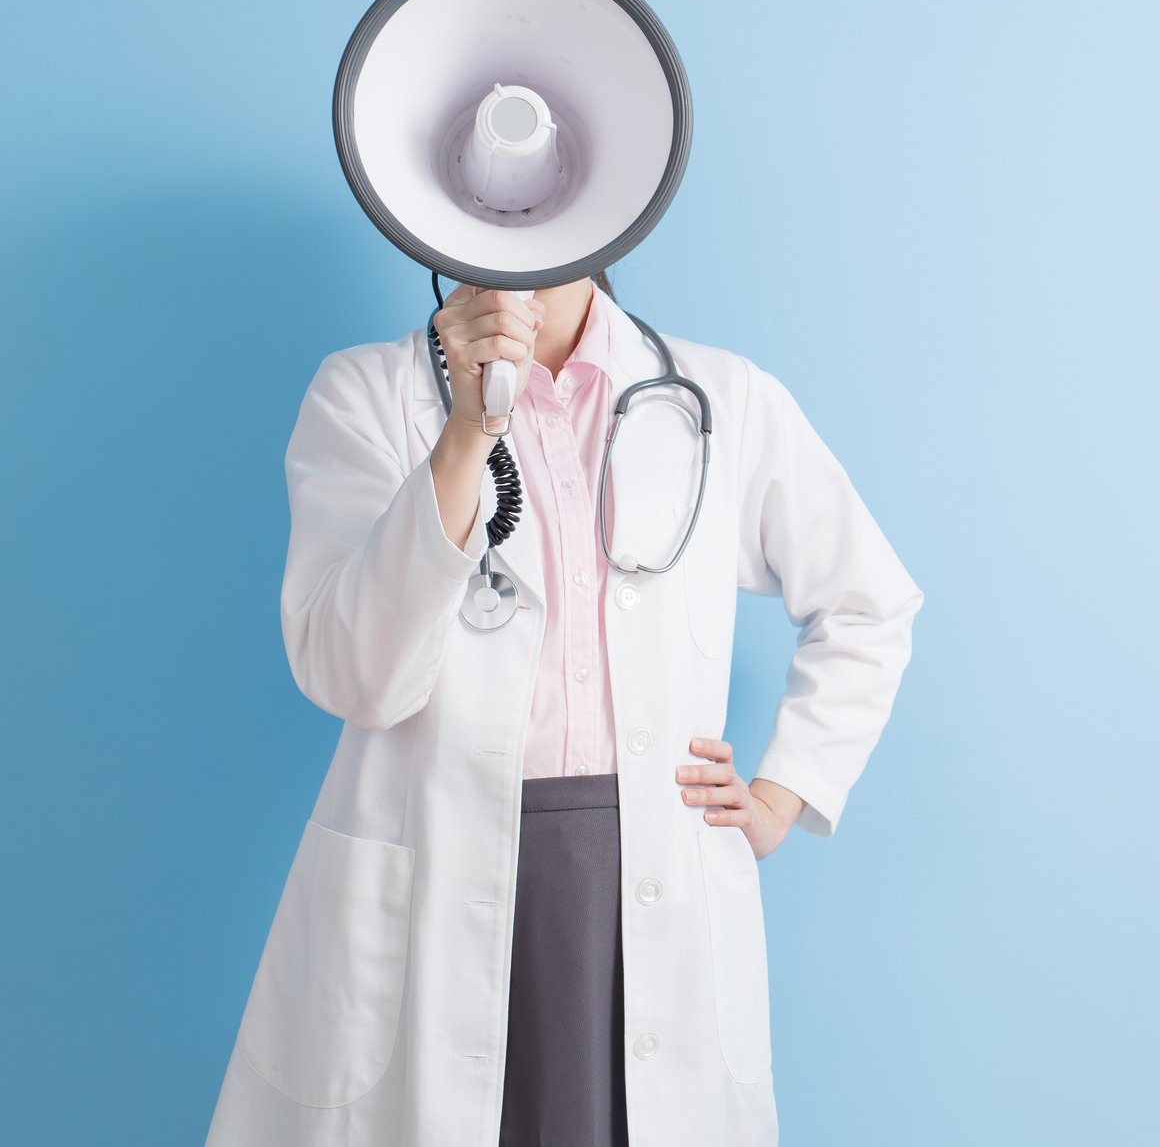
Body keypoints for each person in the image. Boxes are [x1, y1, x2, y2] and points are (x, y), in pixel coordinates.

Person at [204, 273, 923, 1147]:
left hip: (642, 879)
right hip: (439, 868)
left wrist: (786, 791)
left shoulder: (720, 397)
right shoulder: (365, 395)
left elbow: (868, 603)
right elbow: (357, 677)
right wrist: (469, 430)